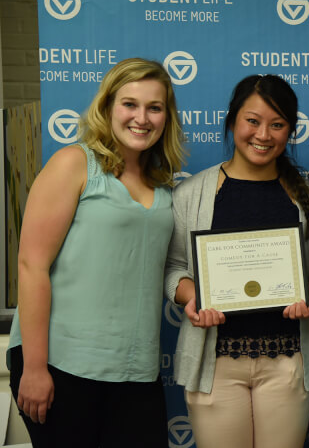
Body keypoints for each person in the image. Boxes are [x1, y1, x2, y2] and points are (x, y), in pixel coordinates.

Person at [7, 58, 185, 447]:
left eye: (154, 107)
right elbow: (32, 265)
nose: (142, 118)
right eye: (130, 104)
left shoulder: (162, 184)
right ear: (107, 107)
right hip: (62, 364)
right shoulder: (74, 163)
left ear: (166, 117)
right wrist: (34, 368)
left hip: (136, 371)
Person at [163, 75, 309, 448]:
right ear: (232, 120)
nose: (263, 135)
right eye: (252, 121)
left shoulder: (307, 197)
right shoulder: (192, 194)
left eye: (277, 124)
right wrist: (193, 296)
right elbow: (173, 269)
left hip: (288, 361)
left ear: (291, 130)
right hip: (214, 364)